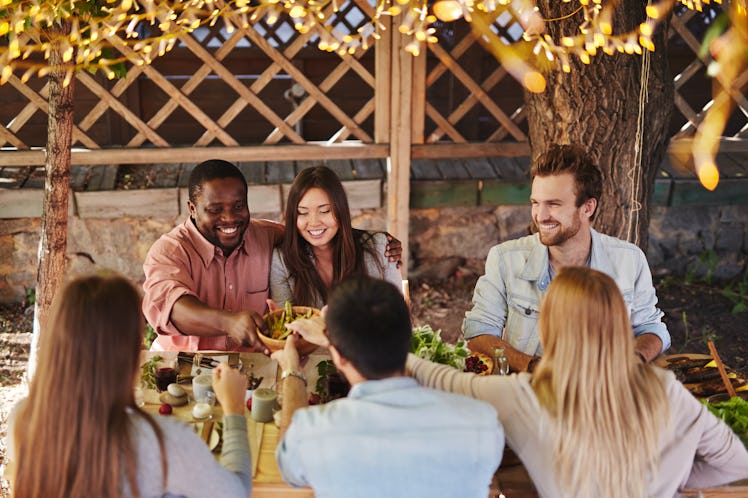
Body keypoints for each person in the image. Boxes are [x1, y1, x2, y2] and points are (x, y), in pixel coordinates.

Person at [410, 267, 748, 498]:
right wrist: (671, 481)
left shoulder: (523, 397)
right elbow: (736, 463)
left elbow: (441, 378)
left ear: (549, 329)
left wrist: (388, 351)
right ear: (620, 326)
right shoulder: (667, 391)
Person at [6, 272, 251, 498]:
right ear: (128, 353)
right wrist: (234, 409)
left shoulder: (23, 418)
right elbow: (236, 492)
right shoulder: (161, 440)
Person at [271, 276, 503, 498]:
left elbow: (287, 463)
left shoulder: (314, 432)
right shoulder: (482, 424)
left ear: (339, 357)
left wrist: (292, 372)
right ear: (409, 337)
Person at [142, 159, 402, 351]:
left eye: (238, 206)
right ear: (192, 208)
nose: (229, 218)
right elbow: (172, 308)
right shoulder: (170, 251)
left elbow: (315, 229)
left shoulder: (265, 235)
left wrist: (376, 243)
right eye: (215, 209)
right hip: (184, 362)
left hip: (253, 365)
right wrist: (228, 322)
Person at [463, 144, 671, 371]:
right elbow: (479, 333)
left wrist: (633, 361)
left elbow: (651, 328)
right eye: (535, 203)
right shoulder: (504, 258)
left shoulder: (630, 260)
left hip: (604, 394)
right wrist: (537, 369)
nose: (540, 216)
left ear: (588, 208)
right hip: (529, 393)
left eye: (553, 204)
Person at [270, 165, 402, 308]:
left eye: (325, 211)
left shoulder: (381, 247)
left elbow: (396, 315)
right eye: (302, 212)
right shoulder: (282, 260)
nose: (314, 223)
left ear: (340, 210)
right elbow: (285, 321)